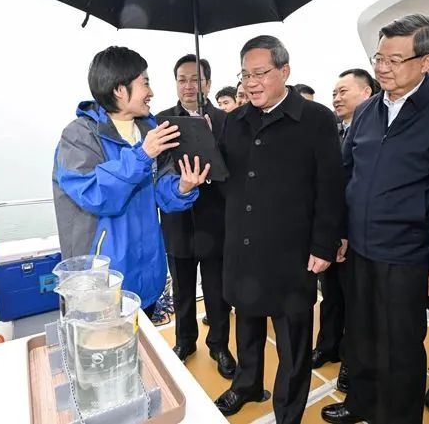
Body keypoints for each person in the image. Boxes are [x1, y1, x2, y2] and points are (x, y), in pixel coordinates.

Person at [321, 16, 429, 424]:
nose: (383, 67)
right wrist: (339, 233)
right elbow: (346, 174)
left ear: (426, 61)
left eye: (395, 59)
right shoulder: (367, 110)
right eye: (379, 58)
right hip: (359, 250)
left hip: (409, 255)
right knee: (361, 335)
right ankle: (360, 402)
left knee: (400, 348)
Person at [214, 35, 345, 424]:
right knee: (247, 326)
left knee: (293, 342)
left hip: (292, 252)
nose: (251, 83)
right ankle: (247, 384)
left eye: (260, 73)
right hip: (243, 247)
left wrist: (324, 244)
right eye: (245, 75)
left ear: (284, 71)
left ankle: (288, 412)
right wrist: (203, 150)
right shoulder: (234, 121)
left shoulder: (316, 119)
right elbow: (224, 181)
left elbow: (330, 187)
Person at [52, 46, 211, 317]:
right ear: (119, 89)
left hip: (146, 277)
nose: (151, 92)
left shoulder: (150, 130)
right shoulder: (79, 136)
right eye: (145, 83)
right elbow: (95, 195)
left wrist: (183, 187)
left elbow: (162, 190)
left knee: (142, 342)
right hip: (101, 284)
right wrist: (142, 155)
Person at [157, 55, 236, 378]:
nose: (189, 86)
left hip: (215, 220)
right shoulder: (162, 121)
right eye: (182, 79)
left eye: (196, 79)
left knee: (217, 291)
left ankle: (219, 345)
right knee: (182, 289)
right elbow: (159, 166)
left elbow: (235, 169)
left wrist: (211, 140)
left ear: (209, 83)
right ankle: (185, 341)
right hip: (177, 220)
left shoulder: (227, 120)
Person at [312, 68, 379, 391]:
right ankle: (328, 346)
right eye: (334, 93)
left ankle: (352, 362)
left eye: (343, 92)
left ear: (367, 93)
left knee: (357, 303)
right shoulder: (334, 132)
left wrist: (347, 233)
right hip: (332, 230)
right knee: (331, 296)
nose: (336, 98)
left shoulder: (376, 135)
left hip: (359, 234)